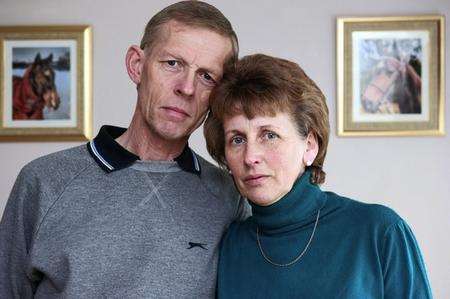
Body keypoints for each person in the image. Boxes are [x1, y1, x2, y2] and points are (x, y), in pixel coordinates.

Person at [0, 1, 248, 297]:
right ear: (137, 66)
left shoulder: (228, 197)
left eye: (207, 76)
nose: (187, 88)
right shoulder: (42, 181)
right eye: (173, 64)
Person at [204, 54, 432, 298]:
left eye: (269, 135)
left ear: (310, 146)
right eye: (237, 140)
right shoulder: (231, 245)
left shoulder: (380, 231)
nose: (250, 157)